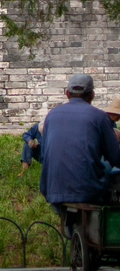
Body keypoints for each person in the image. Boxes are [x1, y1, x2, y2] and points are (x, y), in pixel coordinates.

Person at [40, 74, 120, 213]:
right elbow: (116, 158)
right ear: (92, 95)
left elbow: (44, 156)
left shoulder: (51, 115)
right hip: (88, 192)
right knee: (107, 166)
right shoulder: (99, 117)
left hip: (53, 190)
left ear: (67, 94)